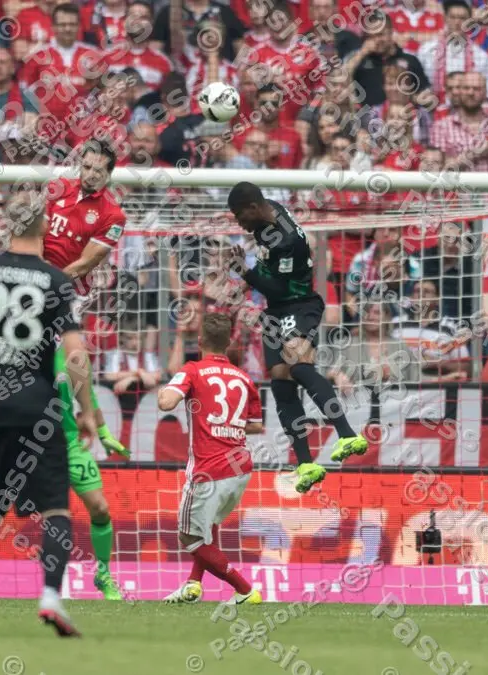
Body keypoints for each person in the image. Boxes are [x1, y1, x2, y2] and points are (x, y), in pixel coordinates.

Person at [0, 192, 98, 638]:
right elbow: (76, 355)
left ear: (7, 225)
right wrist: (86, 411)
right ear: (45, 226)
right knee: (55, 511)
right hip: (38, 409)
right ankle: (50, 596)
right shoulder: (54, 280)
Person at [227, 182, 368, 493]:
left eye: (239, 216)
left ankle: (347, 434)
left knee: (298, 364)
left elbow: (277, 287)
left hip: (298, 304)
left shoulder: (286, 240)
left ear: (252, 208)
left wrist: (244, 272)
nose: (238, 223)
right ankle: (305, 464)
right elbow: (271, 273)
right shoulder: (269, 213)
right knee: (280, 380)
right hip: (277, 311)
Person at [38, 139, 131, 599]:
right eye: (86, 165)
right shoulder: (55, 187)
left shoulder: (112, 215)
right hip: (29, 281)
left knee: (72, 358)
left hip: (61, 287)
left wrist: (50, 281)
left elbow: (89, 260)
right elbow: (28, 225)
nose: (90, 173)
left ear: (109, 175)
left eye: (99, 169)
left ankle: (104, 573)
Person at [158, 313, 264, 605]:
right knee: (209, 526)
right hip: (240, 467)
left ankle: (244, 590)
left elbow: (166, 402)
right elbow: (257, 425)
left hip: (208, 470)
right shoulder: (244, 378)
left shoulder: (192, 369)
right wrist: (226, 425)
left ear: (200, 340)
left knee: (188, 537)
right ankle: (193, 584)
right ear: (229, 343)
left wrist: (165, 391)